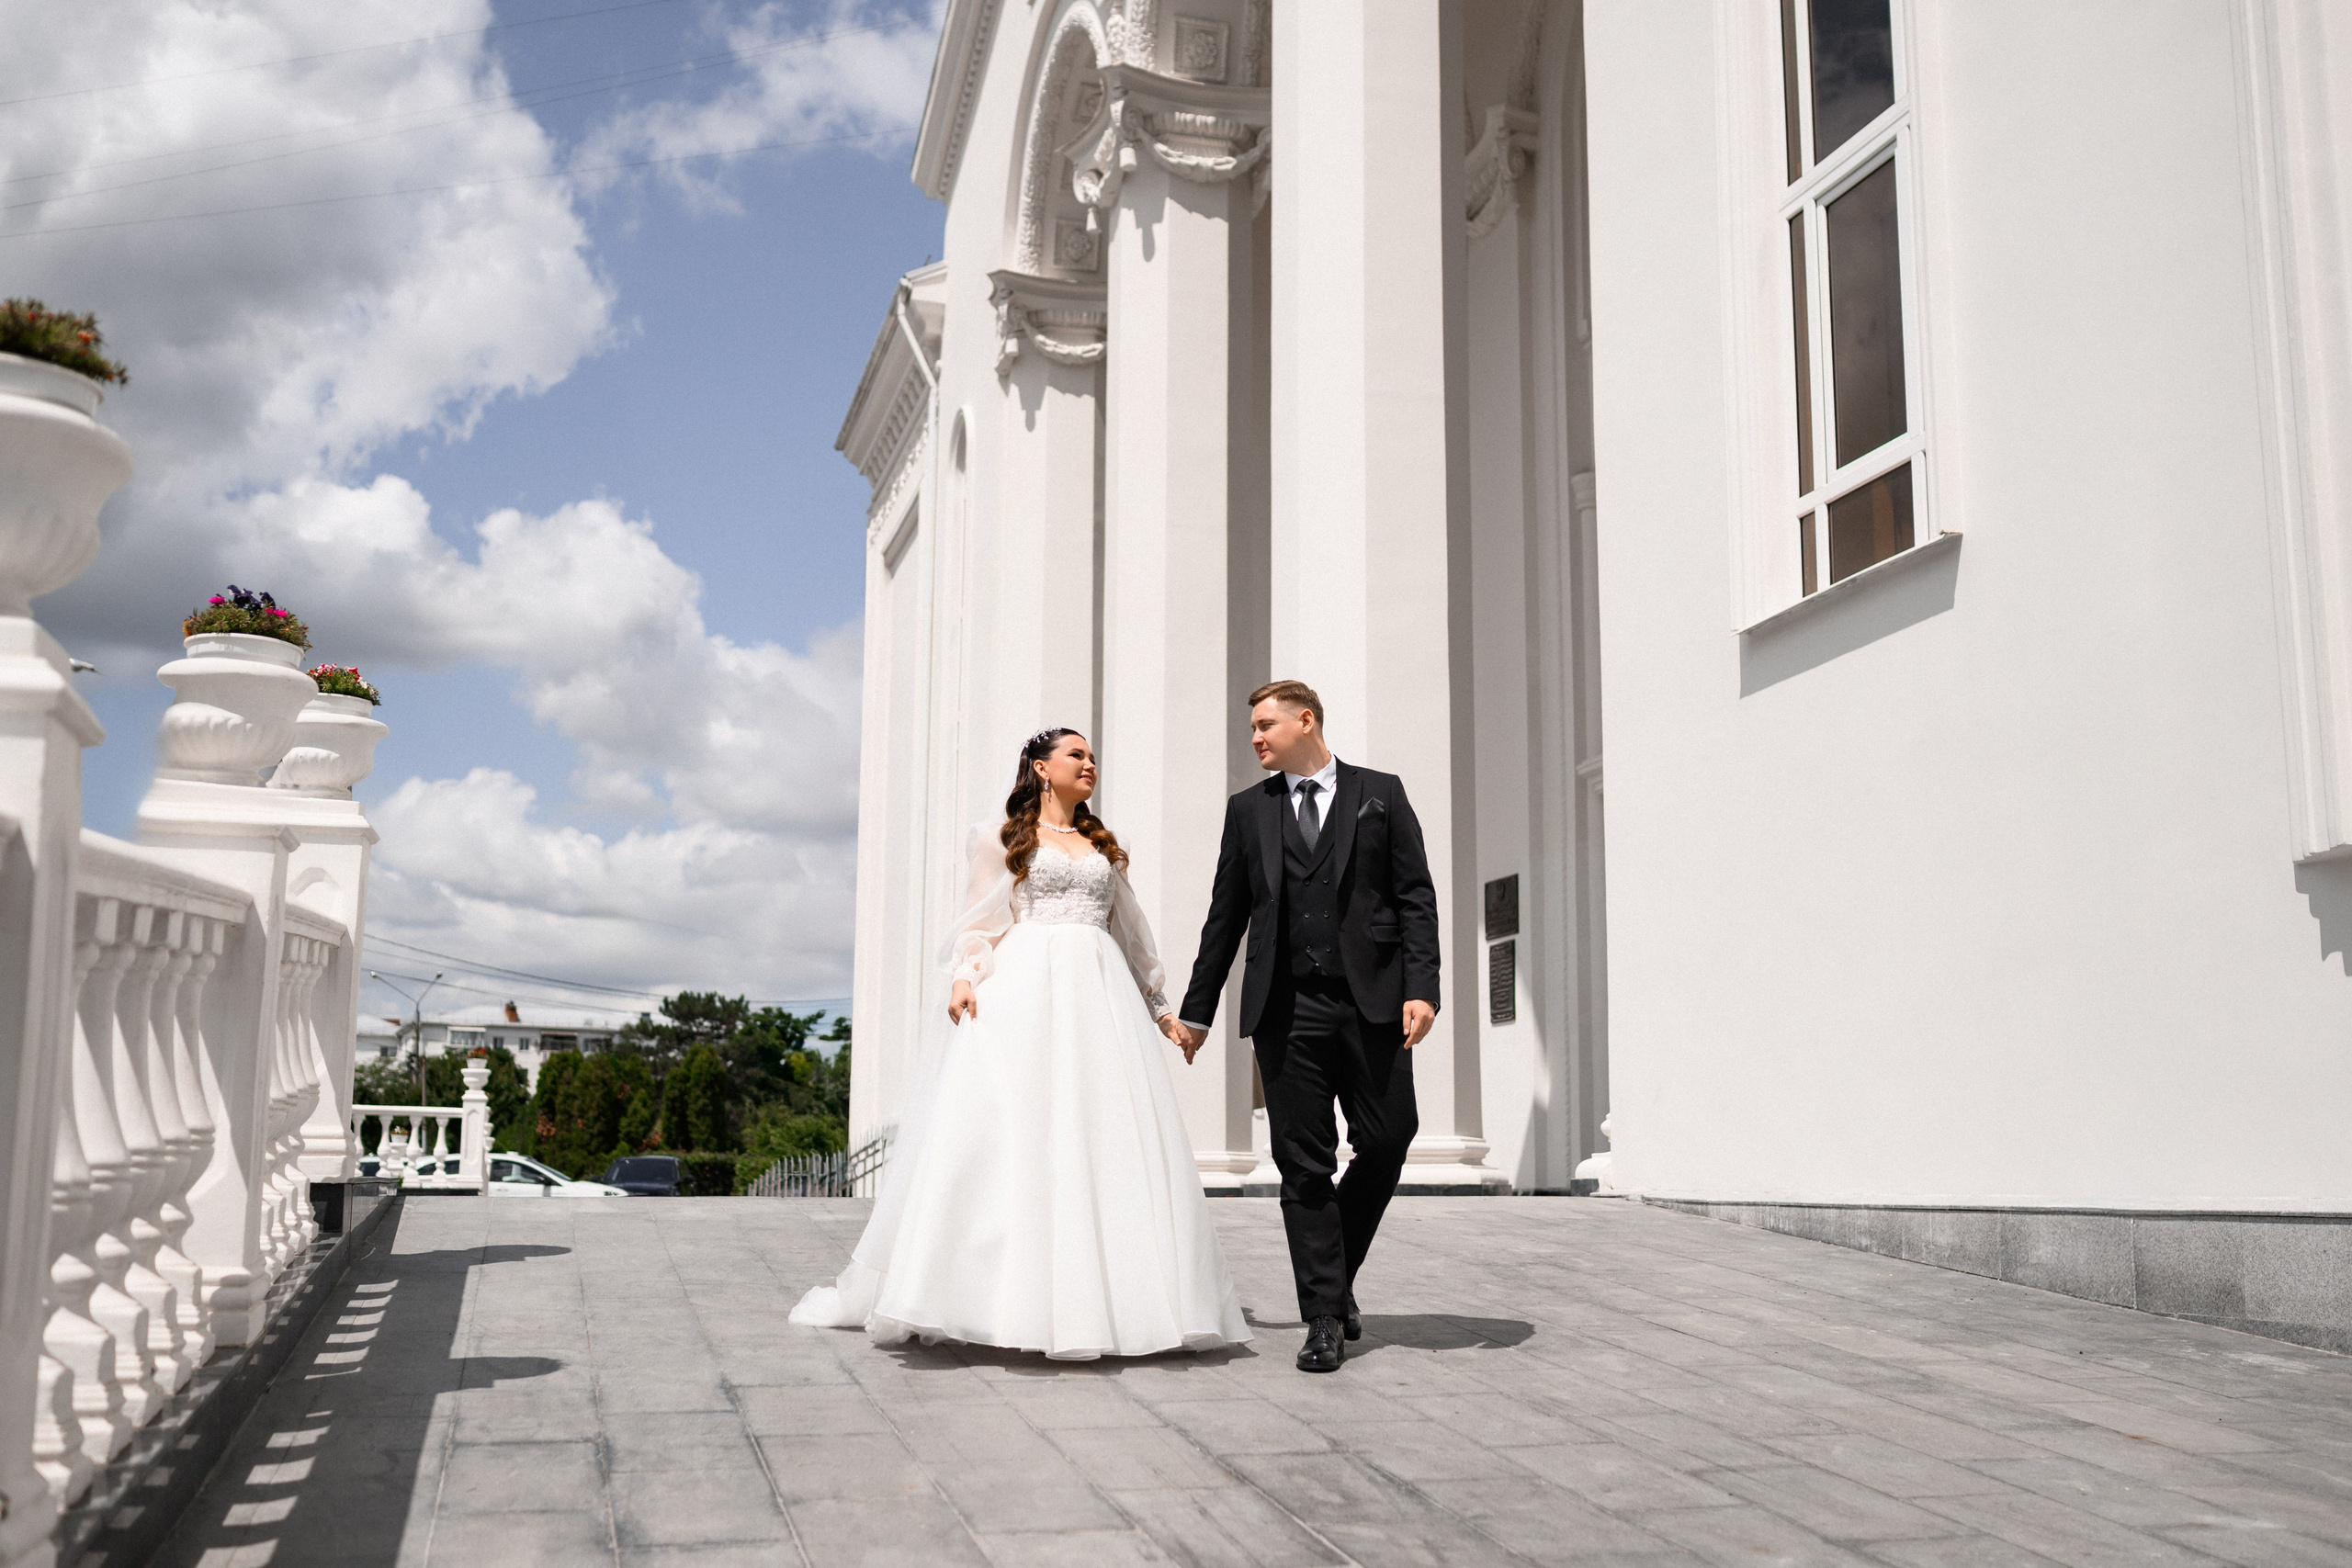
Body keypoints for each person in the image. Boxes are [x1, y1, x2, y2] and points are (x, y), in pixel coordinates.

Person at [788, 728, 1250, 1359]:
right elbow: (978, 922)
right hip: (1027, 991)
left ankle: (1119, 1300)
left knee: (1104, 1135)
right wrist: (962, 978)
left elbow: (1133, 934)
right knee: (1019, 1134)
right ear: (1040, 767)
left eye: (1092, 757)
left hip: (1101, 996)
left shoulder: (1103, 844)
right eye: (1076, 755)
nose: (1090, 764)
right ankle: (990, 1294)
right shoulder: (1001, 836)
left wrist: (1162, 1008)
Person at [1169, 681, 1439, 1373]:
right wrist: (1197, 1009)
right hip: (1286, 1010)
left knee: (1388, 1137)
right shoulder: (1247, 812)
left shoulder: (1380, 792)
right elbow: (1224, 916)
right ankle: (1322, 1313)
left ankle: (1335, 1269)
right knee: (1304, 1165)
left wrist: (1423, 989)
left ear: (1306, 720)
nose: (1255, 738)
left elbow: (1415, 898)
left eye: (1265, 725)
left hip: (1372, 1000)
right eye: (1252, 728)